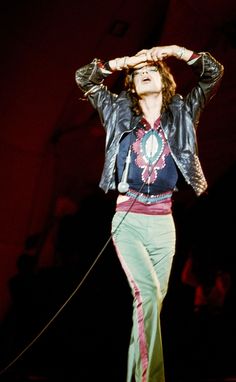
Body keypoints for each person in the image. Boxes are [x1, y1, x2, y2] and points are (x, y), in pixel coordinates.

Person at [75, 45, 224, 382]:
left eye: (152, 69)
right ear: (131, 84)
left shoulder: (183, 112)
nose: (144, 72)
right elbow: (84, 78)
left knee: (150, 308)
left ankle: (136, 376)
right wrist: (122, 62)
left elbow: (213, 74)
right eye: (137, 72)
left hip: (164, 223)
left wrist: (174, 51)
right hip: (129, 220)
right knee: (147, 296)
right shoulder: (117, 112)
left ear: (165, 80)